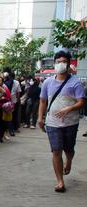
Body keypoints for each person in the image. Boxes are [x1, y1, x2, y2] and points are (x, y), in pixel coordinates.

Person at [38, 50, 85, 193]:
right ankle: (60, 181)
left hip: (70, 122)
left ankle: (69, 160)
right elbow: (42, 101)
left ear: (69, 63)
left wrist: (68, 108)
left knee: (68, 149)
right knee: (56, 150)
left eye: (64, 61)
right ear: (54, 63)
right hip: (52, 122)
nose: (60, 64)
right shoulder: (47, 82)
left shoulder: (75, 82)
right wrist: (40, 118)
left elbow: (81, 101)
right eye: (58, 62)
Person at [0, 76, 13, 143]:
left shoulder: (5, 88)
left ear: (2, 82)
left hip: (3, 108)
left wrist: (3, 98)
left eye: (0, 81)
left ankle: (1, 137)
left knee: (2, 122)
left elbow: (9, 98)